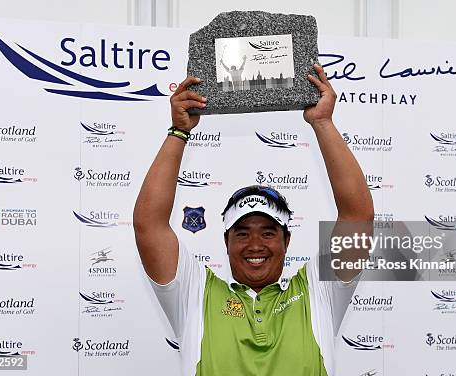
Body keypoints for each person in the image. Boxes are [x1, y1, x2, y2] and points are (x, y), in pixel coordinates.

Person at [133, 64, 374, 376]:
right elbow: (148, 225)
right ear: (226, 241)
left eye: (269, 232)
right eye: (243, 232)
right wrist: (178, 132)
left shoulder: (318, 292)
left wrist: (323, 123)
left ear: (287, 241)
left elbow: (358, 217)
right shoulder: (194, 293)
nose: (255, 245)